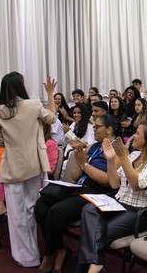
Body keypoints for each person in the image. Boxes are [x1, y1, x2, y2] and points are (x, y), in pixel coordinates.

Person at [76, 121, 147, 273]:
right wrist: (111, 160)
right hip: (120, 204)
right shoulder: (134, 155)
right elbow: (114, 183)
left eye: (138, 133)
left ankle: (92, 268)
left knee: (93, 233)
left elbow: (136, 184)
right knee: (88, 209)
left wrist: (123, 158)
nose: (134, 136)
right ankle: (96, 267)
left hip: (140, 212)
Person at [0, 72, 57, 267]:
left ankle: (25, 256)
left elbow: (0, 141)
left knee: (16, 213)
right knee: (32, 209)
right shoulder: (34, 104)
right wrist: (51, 94)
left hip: (12, 166)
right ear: (21, 86)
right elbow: (52, 118)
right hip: (34, 164)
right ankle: (38, 251)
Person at [35, 115, 117, 273]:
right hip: (79, 187)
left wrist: (85, 165)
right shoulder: (93, 147)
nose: (94, 130)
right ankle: (58, 249)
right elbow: (74, 176)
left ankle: (49, 254)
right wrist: (80, 163)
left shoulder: (116, 150)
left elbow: (107, 181)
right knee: (41, 205)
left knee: (55, 212)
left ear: (109, 130)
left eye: (97, 127)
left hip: (97, 194)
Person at [0, 122, 58, 254]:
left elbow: (50, 169)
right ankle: (0, 210)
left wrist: (27, 164)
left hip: (35, 181)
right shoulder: (24, 141)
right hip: (17, 176)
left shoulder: (50, 144)